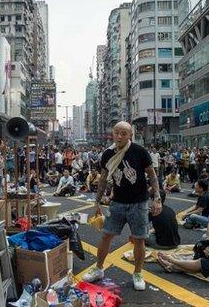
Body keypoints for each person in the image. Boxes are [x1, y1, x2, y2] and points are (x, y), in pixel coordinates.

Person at [83, 121, 162, 291]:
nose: (119, 136)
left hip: (139, 203)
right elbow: (103, 179)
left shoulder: (140, 152)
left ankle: (138, 273)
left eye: (123, 133)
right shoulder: (107, 154)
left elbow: (153, 177)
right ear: (113, 133)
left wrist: (157, 198)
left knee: (139, 239)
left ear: (130, 135)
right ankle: (99, 268)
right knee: (106, 236)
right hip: (117, 202)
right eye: (116, 132)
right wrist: (97, 201)